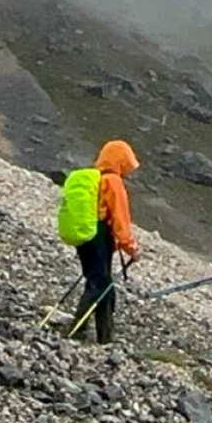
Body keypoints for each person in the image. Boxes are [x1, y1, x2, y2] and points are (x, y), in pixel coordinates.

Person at [72, 140, 142, 343]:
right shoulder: (113, 182)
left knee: (101, 283)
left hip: (85, 235)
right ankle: (77, 329)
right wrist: (131, 248)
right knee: (99, 284)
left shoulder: (95, 178)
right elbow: (120, 219)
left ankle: (104, 335)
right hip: (100, 238)